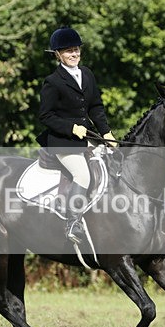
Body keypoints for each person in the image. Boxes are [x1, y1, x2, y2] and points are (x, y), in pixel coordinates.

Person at [38, 27, 117, 245]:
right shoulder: (52, 81)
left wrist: (107, 133)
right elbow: (46, 116)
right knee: (83, 175)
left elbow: (96, 108)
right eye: (68, 51)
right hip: (63, 142)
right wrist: (71, 128)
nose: (74, 54)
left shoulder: (87, 74)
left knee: (116, 165)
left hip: (88, 137)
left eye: (76, 50)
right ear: (58, 55)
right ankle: (72, 222)